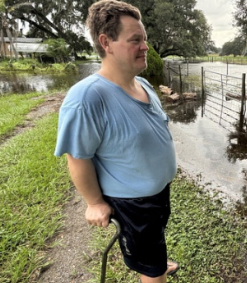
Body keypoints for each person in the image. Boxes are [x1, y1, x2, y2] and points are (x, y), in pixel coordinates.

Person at [54, 1, 178, 282]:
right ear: (106, 42)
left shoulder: (142, 84)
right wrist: (94, 202)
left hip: (158, 193)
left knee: (153, 244)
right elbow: (77, 157)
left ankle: (155, 259)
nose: (145, 46)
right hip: (134, 203)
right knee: (151, 270)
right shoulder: (86, 97)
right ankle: (154, 269)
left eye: (144, 39)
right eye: (135, 40)